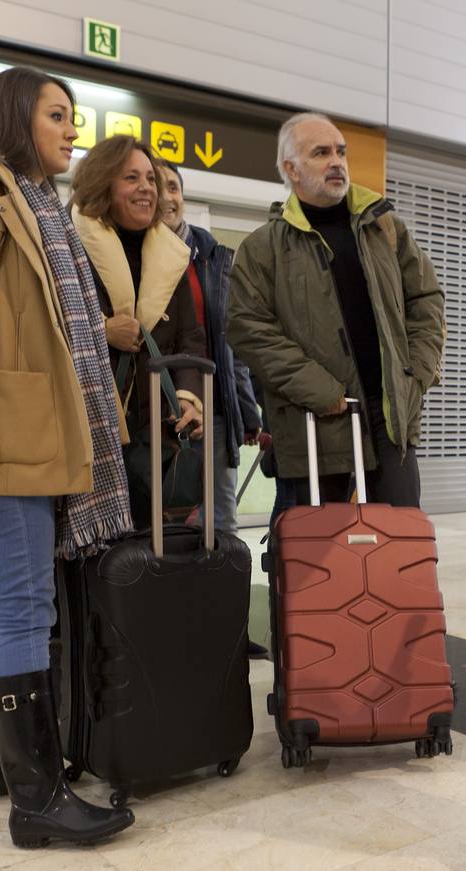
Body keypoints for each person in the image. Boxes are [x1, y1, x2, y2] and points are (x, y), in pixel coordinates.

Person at [0, 66, 134, 848]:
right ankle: (36, 799)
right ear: (16, 116)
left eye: (73, 117)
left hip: (29, 432)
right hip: (3, 440)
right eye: (57, 115)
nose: (72, 130)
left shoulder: (36, 200)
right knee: (24, 608)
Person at [227, 112, 445, 511]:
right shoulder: (262, 249)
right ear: (291, 169)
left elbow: (426, 299)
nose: (337, 162)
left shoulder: (384, 228)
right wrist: (321, 390)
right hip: (314, 420)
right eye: (321, 153)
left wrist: (416, 373)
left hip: (389, 417)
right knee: (317, 556)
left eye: (341, 152)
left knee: (400, 545)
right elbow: (247, 328)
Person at [157, 162, 268, 659]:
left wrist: (248, 412)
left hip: (213, 408)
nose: (165, 196)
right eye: (155, 187)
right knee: (156, 522)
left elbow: (232, 343)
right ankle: (164, 629)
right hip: (150, 413)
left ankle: (226, 634)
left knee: (221, 520)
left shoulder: (214, 255)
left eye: (173, 187)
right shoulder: (124, 250)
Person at [69, 136, 206, 528]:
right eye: (131, 177)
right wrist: (102, 330)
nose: (147, 187)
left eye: (150, 178)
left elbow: (189, 339)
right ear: (103, 184)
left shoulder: (169, 256)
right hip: (89, 435)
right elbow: (48, 326)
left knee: (148, 561)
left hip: (153, 443)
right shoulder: (69, 245)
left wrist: (189, 396)